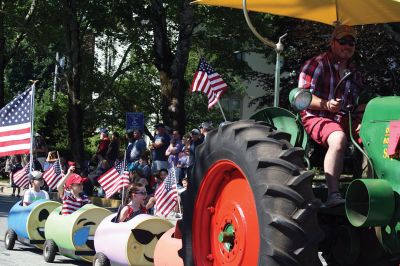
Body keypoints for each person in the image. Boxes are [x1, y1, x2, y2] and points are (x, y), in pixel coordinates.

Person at [298, 25, 363, 207]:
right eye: (343, 41)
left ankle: (365, 188)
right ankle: (333, 194)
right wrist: (326, 104)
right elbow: (302, 98)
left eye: (352, 42)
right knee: (338, 138)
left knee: (372, 133)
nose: (347, 46)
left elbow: (352, 104)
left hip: (342, 116)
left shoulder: (353, 72)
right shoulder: (316, 64)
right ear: (332, 43)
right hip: (316, 116)